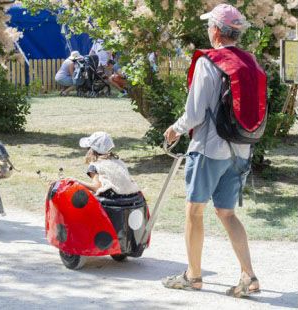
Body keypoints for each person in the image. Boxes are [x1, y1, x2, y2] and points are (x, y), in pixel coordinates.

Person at [161, 4, 261, 297]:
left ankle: (193, 276)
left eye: (209, 26)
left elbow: (195, 113)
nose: (208, 30)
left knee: (194, 211)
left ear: (216, 30)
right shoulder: (250, 62)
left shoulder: (210, 62)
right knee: (227, 213)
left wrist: (175, 128)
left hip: (209, 149)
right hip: (241, 149)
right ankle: (249, 276)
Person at [75, 131, 139, 198]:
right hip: (131, 195)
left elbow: (96, 187)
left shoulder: (95, 166)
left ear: (90, 149)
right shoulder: (117, 161)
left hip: (114, 199)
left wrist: (77, 181)